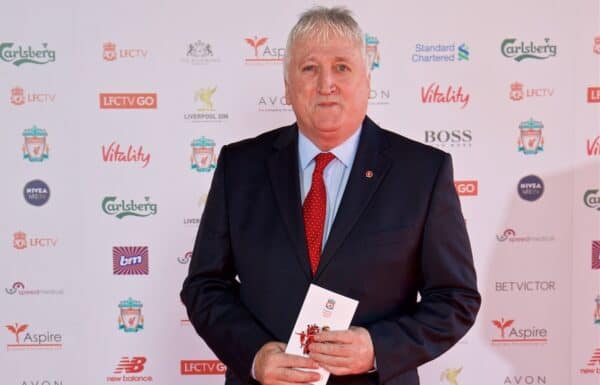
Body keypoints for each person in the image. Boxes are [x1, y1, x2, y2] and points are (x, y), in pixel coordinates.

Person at [181, 6, 480, 385]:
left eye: (342, 67)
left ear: (367, 82)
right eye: (309, 68)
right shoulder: (239, 166)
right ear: (287, 86)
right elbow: (204, 286)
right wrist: (254, 355)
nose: (326, 84)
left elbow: (456, 299)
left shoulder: (423, 173)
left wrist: (377, 348)